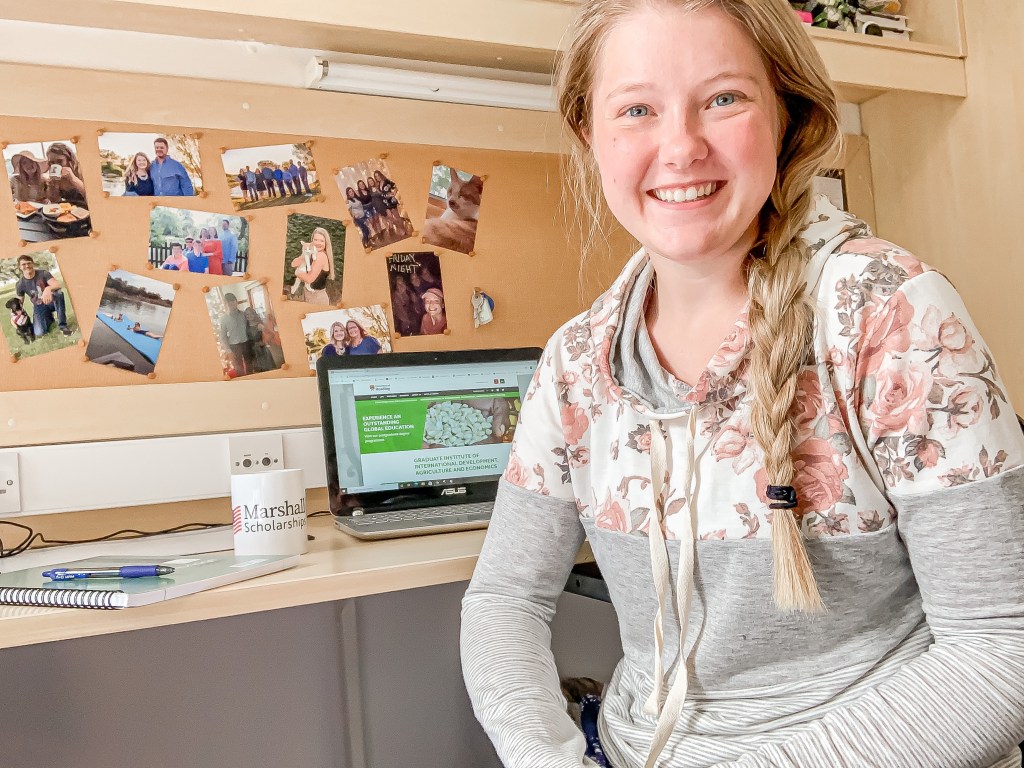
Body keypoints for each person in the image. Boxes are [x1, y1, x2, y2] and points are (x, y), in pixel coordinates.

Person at [461, 2, 1024, 768]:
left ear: (786, 114)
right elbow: (503, 602)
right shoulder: (575, 363)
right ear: (592, 136)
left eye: (723, 98)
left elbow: (1000, 647)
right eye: (636, 110)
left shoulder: (887, 310)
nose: (681, 146)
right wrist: (548, 756)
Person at [15, 254, 72, 337]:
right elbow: (19, 302)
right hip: (39, 306)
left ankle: (63, 326)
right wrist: (14, 316)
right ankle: (49, 318)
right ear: (19, 267)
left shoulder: (43, 273)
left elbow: (58, 285)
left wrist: (48, 289)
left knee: (59, 294)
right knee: (39, 333)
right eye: (23, 264)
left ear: (32, 264)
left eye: (29, 263)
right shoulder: (20, 284)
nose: (27, 266)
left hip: (51, 301)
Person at [289, 227, 334, 305]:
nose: (318, 243)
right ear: (312, 241)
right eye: (315, 240)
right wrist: (304, 254)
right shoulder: (313, 252)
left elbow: (309, 279)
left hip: (316, 298)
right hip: (309, 295)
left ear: (326, 243)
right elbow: (293, 264)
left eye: (321, 241)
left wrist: (297, 273)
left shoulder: (320, 256)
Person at [219, 293, 255, 376]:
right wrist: (228, 351)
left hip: (246, 343)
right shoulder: (223, 319)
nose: (230, 304)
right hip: (234, 346)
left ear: (236, 302)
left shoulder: (244, 315)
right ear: (225, 304)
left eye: (232, 301)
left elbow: (251, 325)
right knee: (239, 369)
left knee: (250, 366)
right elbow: (223, 336)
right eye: (228, 302)